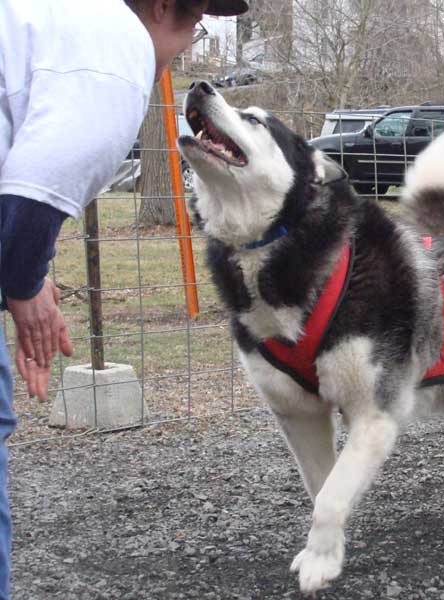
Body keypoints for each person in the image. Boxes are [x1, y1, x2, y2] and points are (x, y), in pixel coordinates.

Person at [0, 0, 249, 596]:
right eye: (195, 20)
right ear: (162, 6)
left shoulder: (57, 22)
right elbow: (32, 197)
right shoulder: (114, 58)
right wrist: (25, 287)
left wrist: (31, 276)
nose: (193, 39)